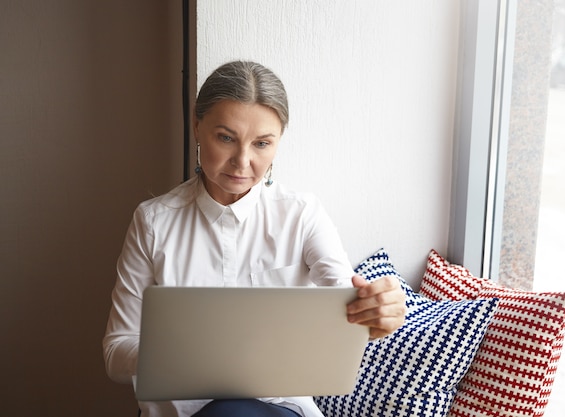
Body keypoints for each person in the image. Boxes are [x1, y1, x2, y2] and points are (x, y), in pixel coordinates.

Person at [103, 60, 407, 417]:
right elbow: (115, 352)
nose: (242, 162)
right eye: (226, 138)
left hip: (278, 409)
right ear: (197, 128)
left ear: (278, 144)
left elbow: (346, 303)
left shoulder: (302, 215)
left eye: (262, 143)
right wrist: (179, 355)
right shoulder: (153, 222)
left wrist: (375, 315)